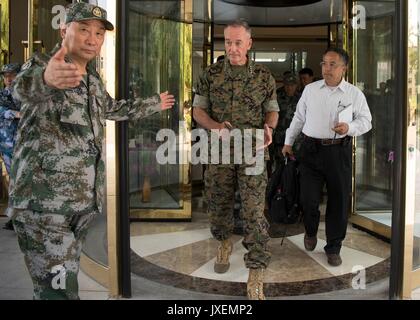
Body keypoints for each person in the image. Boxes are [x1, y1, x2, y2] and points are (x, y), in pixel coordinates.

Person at [9, 2, 175, 300]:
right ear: (64, 31)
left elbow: (112, 109)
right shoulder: (42, 65)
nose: (91, 38)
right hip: (46, 206)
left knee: (60, 287)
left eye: (98, 33)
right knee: (58, 293)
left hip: (80, 205)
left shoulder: (93, 80)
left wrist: (153, 104)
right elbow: (22, 89)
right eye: (83, 29)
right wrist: (46, 79)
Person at [193, 20, 279, 300]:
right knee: (219, 204)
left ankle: (256, 267)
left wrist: (269, 128)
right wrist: (216, 126)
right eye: (228, 42)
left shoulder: (264, 76)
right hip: (219, 152)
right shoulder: (211, 74)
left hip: (252, 151)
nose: (232, 48)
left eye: (237, 42)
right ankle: (223, 242)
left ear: (249, 44)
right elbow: (198, 112)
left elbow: (272, 111)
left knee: (254, 210)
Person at [282, 48, 372, 267]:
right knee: (308, 199)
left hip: (338, 151)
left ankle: (333, 246)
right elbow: (298, 117)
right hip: (310, 150)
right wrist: (288, 142)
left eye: (332, 64)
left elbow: (366, 121)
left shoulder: (354, 94)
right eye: (324, 64)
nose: (327, 68)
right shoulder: (311, 90)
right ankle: (310, 231)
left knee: (338, 201)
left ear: (344, 68)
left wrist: (349, 127)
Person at [0, 63, 21, 230]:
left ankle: (18, 218)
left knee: (21, 181)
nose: (8, 78)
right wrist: (15, 113)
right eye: (6, 75)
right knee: (12, 181)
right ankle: (15, 218)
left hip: (24, 144)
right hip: (6, 145)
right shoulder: (2, 95)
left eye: (12, 74)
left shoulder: (26, 95)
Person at [270, 74, 302, 172]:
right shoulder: (277, 97)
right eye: (287, 85)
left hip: (296, 139)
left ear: (296, 85)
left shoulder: (301, 98)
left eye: (292, 85)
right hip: (279, 137)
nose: (289, 87)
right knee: (279, 165)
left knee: (295, 165)